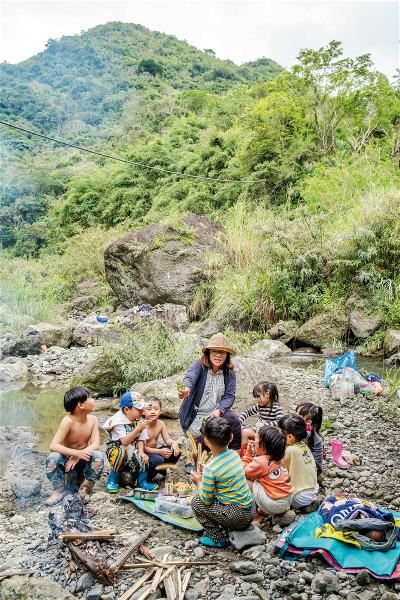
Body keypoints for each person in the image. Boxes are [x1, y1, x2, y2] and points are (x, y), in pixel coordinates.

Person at [191, 417, 254, 548]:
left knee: (196, 502)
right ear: (231, 438)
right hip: (250, 510)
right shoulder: (234, 455)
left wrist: (199, 482)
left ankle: (217, 538)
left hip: (237, 517)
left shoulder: (211, 468)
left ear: (206, 441)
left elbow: (206, 500)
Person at [178, 333, 242, 452]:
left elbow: (229, 396)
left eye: (222, 352)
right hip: (195, 416)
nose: (218, 355)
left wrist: (219, 410)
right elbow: (190, 377)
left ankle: (236, 456)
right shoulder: (199, 366)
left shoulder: (229, 372)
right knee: (200, 443)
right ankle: (194, 452)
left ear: (226, 355)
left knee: (233, 419)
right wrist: (186, 388)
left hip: (214, 414)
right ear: (208, 352)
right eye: (214, 351)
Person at [46, 386, 104, 506]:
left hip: (83, 459)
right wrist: (75, 453)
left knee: (98, 456)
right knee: (53, 457)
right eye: (90, 397)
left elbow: (96, 444)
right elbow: (53, 445)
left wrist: (79, 455)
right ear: (81, 405)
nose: (94, 400)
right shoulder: (68, 421)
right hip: (68, 462)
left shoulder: (93, 419)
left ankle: (85, 490)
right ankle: (58, 490)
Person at [103, 391, 157, 492]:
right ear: (127, 410)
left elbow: (141, 439)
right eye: (138, 409)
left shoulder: (139, 420)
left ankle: (142, 482)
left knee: (143, 457)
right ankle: (112, 481)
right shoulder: (119, 422)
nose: (142, 411)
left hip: (132, 448)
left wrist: (141, 452)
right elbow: (124, 442)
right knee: (120, 454)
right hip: (117, 448)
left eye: (142, 408)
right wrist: (137, 429)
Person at [242, 426, 293, 518]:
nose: (253, 441)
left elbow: (243, 471)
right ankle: (272, 512)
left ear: (264, 448)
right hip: (287, 500)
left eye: (256, 440)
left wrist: (248, 454)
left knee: (243, 480)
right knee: (258, 479)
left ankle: (255, 517)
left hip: (275, 504)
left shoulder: (260, 462)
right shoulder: (278, 457)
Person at [278, 414, 319, 509]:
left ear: (290, 437)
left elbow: (280, 468)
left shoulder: (291, 450)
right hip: (313, 489)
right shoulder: (304, 445)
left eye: (281, 432)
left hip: (300, 497)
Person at [139, 397, 181, 482]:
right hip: (144, 454)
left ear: (160, 411)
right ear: (143, 411)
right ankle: (147, 477)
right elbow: (142, 448)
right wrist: (159, 452)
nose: (153, 411)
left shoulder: (161, 424)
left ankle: (162, 471)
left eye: (156, 409)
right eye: (149, 409)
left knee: (176, 449)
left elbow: (167, 440)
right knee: (158, 459)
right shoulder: (142, 425)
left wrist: (174, 443)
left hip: (155, 452)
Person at [239, 382, 283, 451]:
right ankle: (242, 455)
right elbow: (247, 412)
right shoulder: (259, 407)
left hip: (270, 436)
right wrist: (239, 421)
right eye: (255, 397)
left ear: (267, 394)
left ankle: (260, 455)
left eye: (258, 396)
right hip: (258, 432)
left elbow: (280, 422)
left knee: (262, 444)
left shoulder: (277, 408)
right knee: (244, 433)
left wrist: (265, 425)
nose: (256, 400)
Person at [296, 402, 324, 474]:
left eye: (298, 416)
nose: (294, 416)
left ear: (308, 422)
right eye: (295, 413)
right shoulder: (306, 428)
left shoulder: (307, 433)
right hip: (309, 461)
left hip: (314, 468)